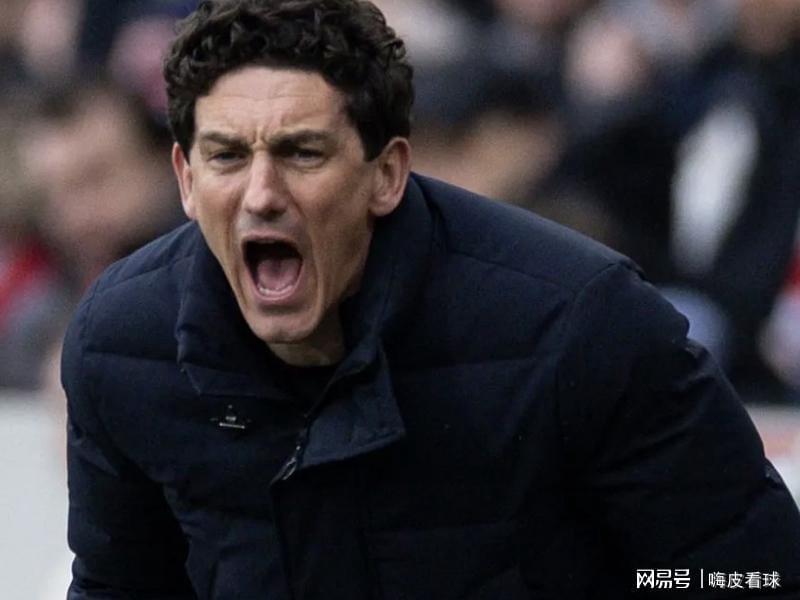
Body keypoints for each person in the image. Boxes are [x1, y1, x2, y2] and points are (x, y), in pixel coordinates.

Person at [62, 1, 800, 598]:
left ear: (387, 174)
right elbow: (119, 587)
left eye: (302, 152)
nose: (260, 195)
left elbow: (752, 575)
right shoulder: (121, 342)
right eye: (226, 155)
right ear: (186, 180)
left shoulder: (581, 322)